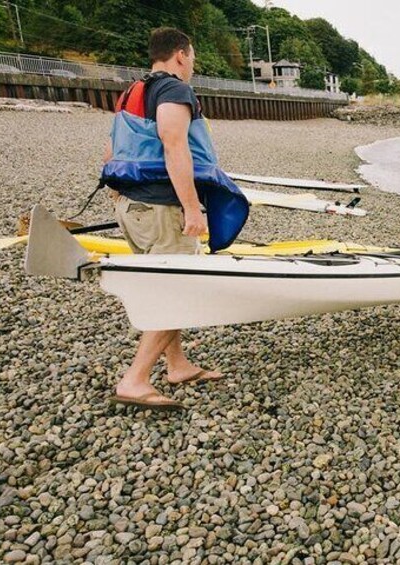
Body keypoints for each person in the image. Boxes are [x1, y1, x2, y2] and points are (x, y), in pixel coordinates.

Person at [101, 28, 249, 410]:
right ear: (181, 55)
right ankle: (134, 380)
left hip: (133, 207)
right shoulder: (174, 90)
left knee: (164, 287)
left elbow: (112, 147)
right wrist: (191, 207)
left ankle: (177, 364)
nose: (193, 63)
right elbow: (173, 143)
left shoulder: (135, 90)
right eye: (193, 56)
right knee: (181, 290)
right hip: (162, 209)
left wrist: (120, 196)